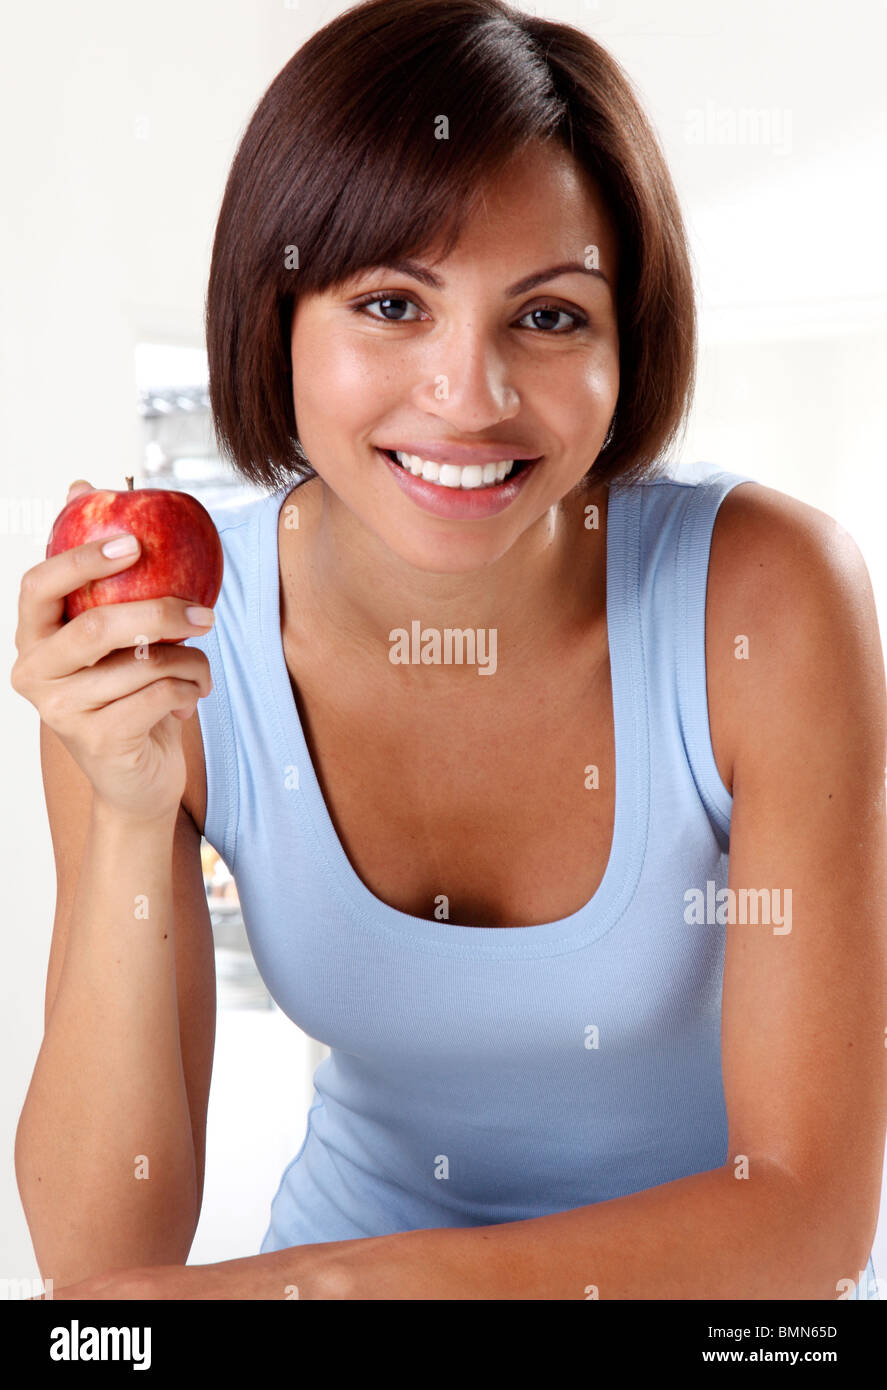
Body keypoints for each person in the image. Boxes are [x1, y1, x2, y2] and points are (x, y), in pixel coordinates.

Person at [12, 0, 885, 1300]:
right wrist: (134, 812)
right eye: (388, 303)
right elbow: (102, 1262)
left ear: (627, 340)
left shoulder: (770, 597)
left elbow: (807, 1216)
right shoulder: (169, 636)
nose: (467, 397)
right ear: (278, 316)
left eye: (547, 317)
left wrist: (361, 1289)